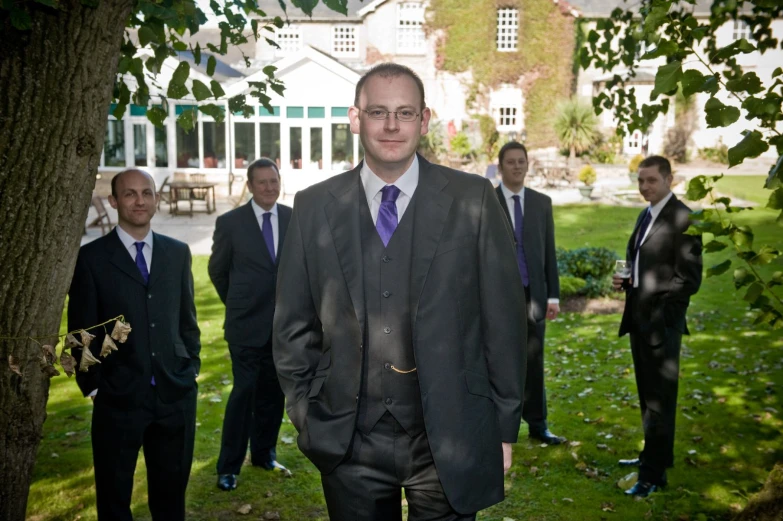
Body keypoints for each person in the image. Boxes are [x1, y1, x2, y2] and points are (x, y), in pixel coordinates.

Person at [273, 62, 527, 520]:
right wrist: (307, 413)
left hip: (450, 432)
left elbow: (504, 321)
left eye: (405, 113)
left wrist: (504, 426)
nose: (391, 125)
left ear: (424, 120)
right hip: (350, 440)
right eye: (378, 112)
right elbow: (294, 323)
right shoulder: (313, 207)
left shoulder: (473, 200)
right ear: (356, 119)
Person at [68, 169, 200, 521]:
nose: (139, 201)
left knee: (171, 498)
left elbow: (187, 320)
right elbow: (81, 332)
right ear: (114, 201)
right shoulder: (91, 258)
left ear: (157, 199)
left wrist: (191, 368)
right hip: (118, 398)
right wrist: (94, 388)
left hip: (174, 394)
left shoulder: (177, 253)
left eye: (146, 193)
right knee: (113, 499)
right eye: (129, 194)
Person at [612, 155, 702, 497]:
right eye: (640, 181)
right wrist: (629, 280)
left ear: (668, 179)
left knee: (661, 401)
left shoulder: (684, 217)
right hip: (638, 321)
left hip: (661, 327)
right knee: (648, 398)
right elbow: (641, 260)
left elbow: (689, 279)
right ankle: (652, 458)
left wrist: (661, 313)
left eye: (651, 180)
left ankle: (652, 475)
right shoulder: (645, 215)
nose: (645, 187)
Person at [208, 158, 292, 490]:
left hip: (284, 326)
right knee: (244, 394)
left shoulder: (292, 218)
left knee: (273, 394)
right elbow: (217, 270)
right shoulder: (230, 223)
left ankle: (264, 454)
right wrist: (238, 304)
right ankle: (228, 466)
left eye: (274, 181)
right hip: (245, 326)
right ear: (250, 185)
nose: (269, 187)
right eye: (262, 182)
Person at [495, 142, 564, 445]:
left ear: (527, 164)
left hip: (534, 295)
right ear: (501, 167)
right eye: (511, 162)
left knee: (534, 361)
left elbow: (548, 252)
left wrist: (554, 296)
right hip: (499, 297)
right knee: (498, 361)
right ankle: (497, 427)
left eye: (521, 161)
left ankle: (538, 424)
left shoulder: (541, 203)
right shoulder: (487, 201)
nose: (517, 167)